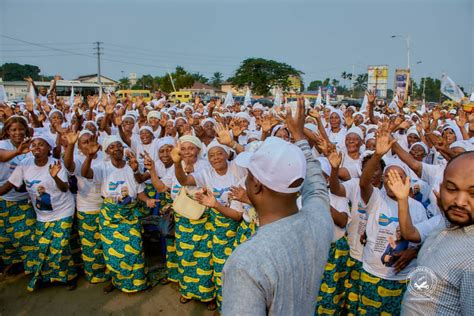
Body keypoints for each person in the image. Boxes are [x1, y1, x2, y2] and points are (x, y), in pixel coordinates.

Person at [222, 98, 333, 315]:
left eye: (248, 175)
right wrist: (300, 136)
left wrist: (300, 136)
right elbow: (317, 188)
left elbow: (317, 186)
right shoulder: (319, 221)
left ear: (255, 186)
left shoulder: (246, 262)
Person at [400, 151, 474, 315]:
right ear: (440, 189)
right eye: (452, 189)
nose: (460, 202)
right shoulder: (445, 226)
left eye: (473, 193)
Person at [0, 135, 77, 291]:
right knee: (42, 248)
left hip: (63, 210)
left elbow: (64, 188)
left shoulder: (56, 164)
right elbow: (8, 186)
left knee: (59, 246)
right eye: (34, 145)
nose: (36, 147)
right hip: (42, 215)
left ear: (49, 148)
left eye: (41, 144)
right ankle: (55, 275)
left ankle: (68, 277)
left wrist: (54, 177)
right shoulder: (24, 164)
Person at [81, 135, 152, 293]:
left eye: (119, 145)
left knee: (134, 249)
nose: (117, 149)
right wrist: (90, 156)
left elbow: (139, 190)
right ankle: (116, 280)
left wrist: (147, 200)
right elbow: (85, 173)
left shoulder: (132, 167)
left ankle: (139, 282)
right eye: (112, 147)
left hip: (130, 214)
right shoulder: (102, 167)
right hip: (110, 215)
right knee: (112, 252)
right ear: (107, 151)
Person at [0, 116, 36, 275]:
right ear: (7, 131)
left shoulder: (31, 145)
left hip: (24, 200)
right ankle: (14, 264)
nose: (18, 132)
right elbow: (2, 157)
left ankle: (33, 269)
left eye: (21, 129)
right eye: (13, 129)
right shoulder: (3, 145)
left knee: (26, 236)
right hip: (4, 198)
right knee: (5, 237)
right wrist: (18, 151)